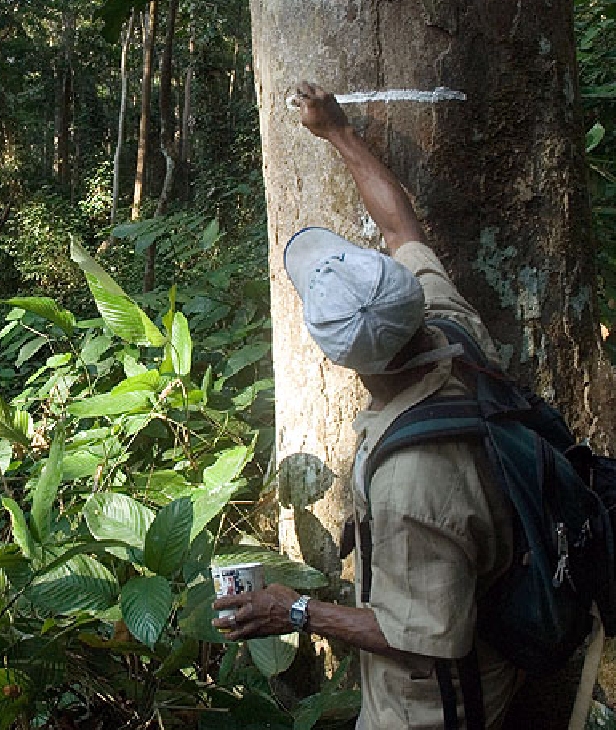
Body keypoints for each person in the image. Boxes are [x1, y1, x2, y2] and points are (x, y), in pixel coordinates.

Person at [213, 81, 522, 729]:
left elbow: (429, 636)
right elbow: (397, 225)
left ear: (338, 360)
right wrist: (336, 132)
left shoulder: (412, 484)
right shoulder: (452, 327)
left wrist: (292, 612)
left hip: (432, 705)